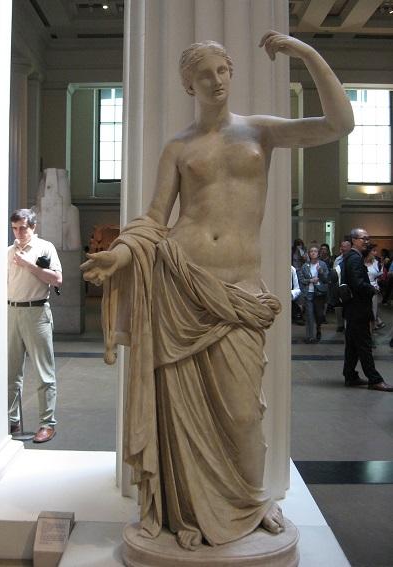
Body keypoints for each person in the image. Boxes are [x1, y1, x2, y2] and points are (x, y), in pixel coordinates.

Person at [81, 31, 354, 550]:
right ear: (189, 85)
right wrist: (120, 254)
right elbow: (155, 217)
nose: (216, 80)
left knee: (243, 412)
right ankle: (187, 509)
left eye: (223, 70)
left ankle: (252, 500)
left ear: (232, 73)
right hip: (181, 283)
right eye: (204, 75)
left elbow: (339, 124)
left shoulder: (260, 131)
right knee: (184, 412)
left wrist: (306, 53)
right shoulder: (179, 147)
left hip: (239, 290)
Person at [8, 208, 62, 442]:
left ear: (33, 227)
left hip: (37, 312)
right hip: (11, 312)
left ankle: (47, 424)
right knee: (10, 372)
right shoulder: (8, 252)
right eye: (14, 228)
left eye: (23, 228)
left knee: (44, 372)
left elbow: (57, 279)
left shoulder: (45, 248)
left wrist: (29, 265)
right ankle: (11, 420)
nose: (18, 233)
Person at [342, 228, 393, 391]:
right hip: (358, 309)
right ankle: (375, 379)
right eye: (363, 238)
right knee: (364, 345)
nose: (366, 241)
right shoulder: (355, 258)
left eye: (367, 238)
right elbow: (357, 284)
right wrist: (372, 289)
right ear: (354, 240)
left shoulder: (351, 256)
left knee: (352, 345)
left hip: (353, 309)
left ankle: (350, 375)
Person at [300, 246, 329, 343]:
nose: (313, 253)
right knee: (309, 315)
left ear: (318, 253)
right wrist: (310, 280)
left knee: (319, 315)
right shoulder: (305, 266)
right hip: (309, 292)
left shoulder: (322, 264)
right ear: (309, 254)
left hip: (319, 293)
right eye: (311, 251)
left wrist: (321, 272)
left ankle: (318, 329)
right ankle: (310, 337)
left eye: (315, 251)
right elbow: (301, 280)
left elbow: (326, 279)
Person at [332, 239, 351, 332]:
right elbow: (334, 273)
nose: (343, 248)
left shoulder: (353, 258)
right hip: (338, 286)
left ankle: (348, 326)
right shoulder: (338, 259)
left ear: (350, 247)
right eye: (342, 246)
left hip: (349, 286)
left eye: (345, 246)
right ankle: (340, 325)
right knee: (338, 306)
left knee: (348, 307)